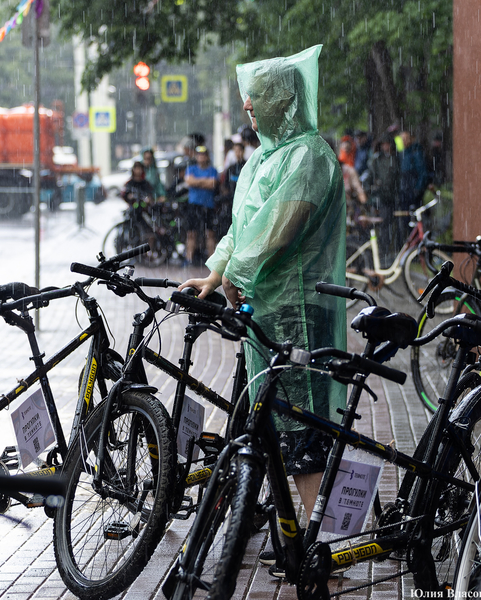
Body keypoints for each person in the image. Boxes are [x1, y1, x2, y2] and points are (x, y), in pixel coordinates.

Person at [178, 45, 346, 578]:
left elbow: (282, 228)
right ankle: (289, 534)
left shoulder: (310, 156)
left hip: (295, 308)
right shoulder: (262, 160)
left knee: (302, 434)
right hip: (263, 311)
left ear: (283, 99)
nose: (247, 104)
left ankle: (324, 550)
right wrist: (215, 274)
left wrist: (235, 277)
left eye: (257, 95)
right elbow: (241, 229)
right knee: (269, 426)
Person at [364, 134, 402, 264]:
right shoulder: (376, 160)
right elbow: (369, 175)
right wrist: (369, 188)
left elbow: (397, 178)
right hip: (378, 198)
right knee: (376, 225)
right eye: (383, 144)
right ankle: (375, 254)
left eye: (387, 144)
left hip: (390, 198)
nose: (386, 146)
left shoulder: (396, 159)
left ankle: (384, 253)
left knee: (387, 226)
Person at [183, 145, 219, 266]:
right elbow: (189, 181)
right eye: (199, 155)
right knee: (191, 233)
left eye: (203, 155)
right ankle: (189, 259)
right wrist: (205, 181)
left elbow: (212, 184)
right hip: (194, 205)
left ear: (207, 156)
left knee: (210, 233)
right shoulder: (191, 168)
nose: (201, 157)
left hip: (208, 206)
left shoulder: (212, 170)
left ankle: (212, 261)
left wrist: (197, 182)